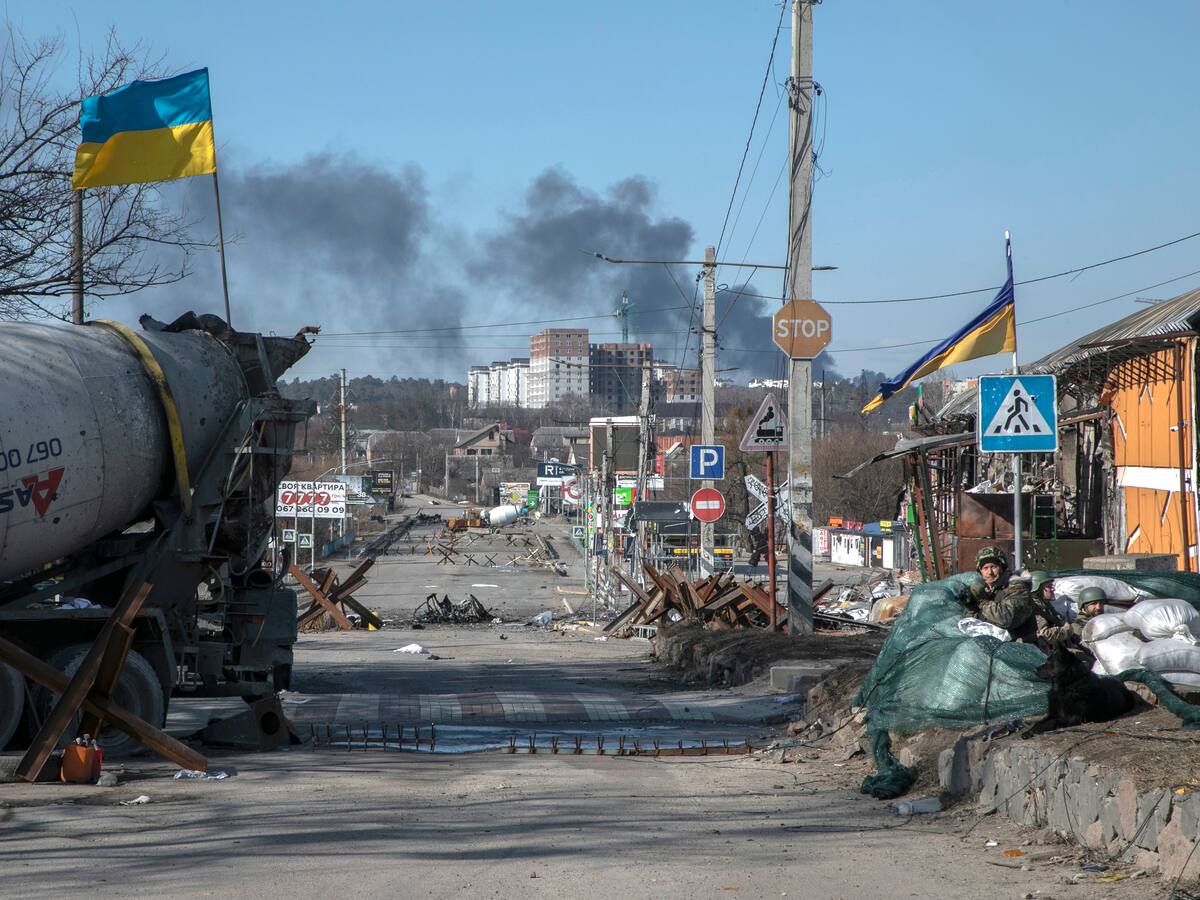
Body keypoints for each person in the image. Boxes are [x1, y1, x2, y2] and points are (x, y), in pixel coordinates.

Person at [963, 545, 1036, 639]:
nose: (990, 572)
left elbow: (1007, 618)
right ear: (980, 571)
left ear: (1002, 567)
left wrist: (982, 602)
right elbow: (974, 624)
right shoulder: (986, 590)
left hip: (1019, 645)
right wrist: (971, 607)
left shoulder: (1016, 587)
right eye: (985, 568)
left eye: (993, 567)